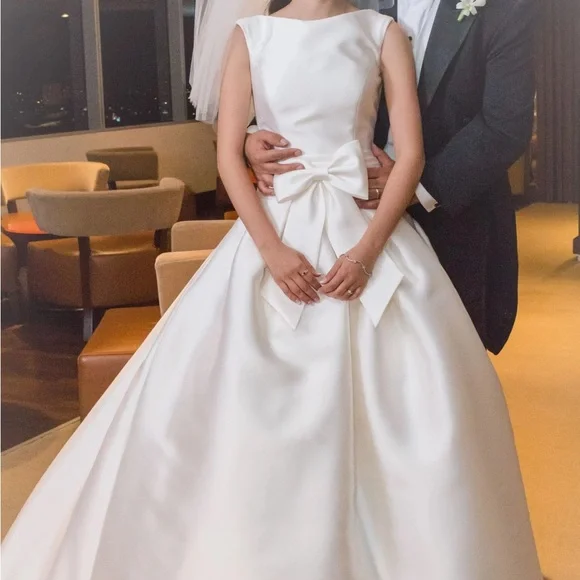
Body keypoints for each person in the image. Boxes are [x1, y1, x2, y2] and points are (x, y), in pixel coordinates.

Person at [2, 1, 543, 579]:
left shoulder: (382, 29)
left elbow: (462, 135)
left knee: (424, 407)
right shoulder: (254, 34)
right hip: (280, 231)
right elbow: (230, 149)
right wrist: (261, 197)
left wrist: (365, 251)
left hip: (377, 221)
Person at [245, 0, 538, 354]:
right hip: (336, 217)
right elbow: (290, 70)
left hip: (451, 217)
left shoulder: (506, 7)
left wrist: (416, 185)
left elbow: (504, 126)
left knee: (444, 363)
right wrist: (251, 138)